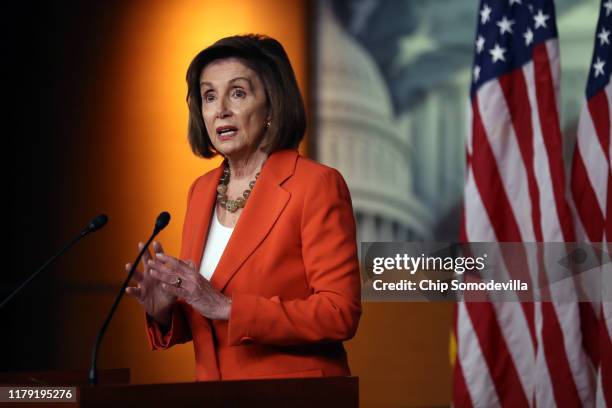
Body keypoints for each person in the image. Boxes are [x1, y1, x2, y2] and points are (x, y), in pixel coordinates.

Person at [125, 34, 361, 381]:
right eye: (208, 96)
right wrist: (165, 313)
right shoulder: (201, 191)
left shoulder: (315, 185)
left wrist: (228, 307)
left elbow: (339, 312)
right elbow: (208, 320)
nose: (220, 108)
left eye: (237, 93)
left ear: (271, 106)